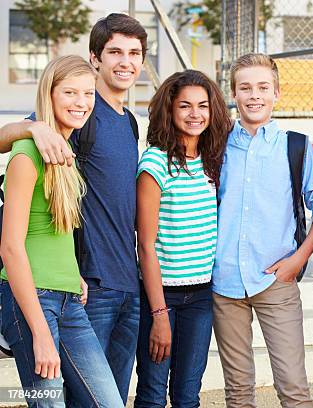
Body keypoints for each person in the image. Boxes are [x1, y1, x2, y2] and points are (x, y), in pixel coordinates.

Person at [0, 14, 148, 403]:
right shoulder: (38, 145)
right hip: (45, 295)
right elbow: (11, 247)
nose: (81, 102)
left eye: (134, 53)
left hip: (79, 291)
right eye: (114, 51)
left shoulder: (123, 123)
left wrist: (72, 273)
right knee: (48, 398)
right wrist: (30, 128)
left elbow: (64, 221)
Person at [212, 53, 313, 408]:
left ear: (276, 93)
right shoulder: (216, 145)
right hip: (224, 281)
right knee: (238, 390)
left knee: (293, 386)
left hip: (277, 280)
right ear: (234, 94)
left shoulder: (297, 146)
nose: (254, 95)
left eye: (262, 87)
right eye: (245, 88)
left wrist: (297, 260)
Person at [133, 70, 232, 407]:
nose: (195, 114)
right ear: (170, 110)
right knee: (151, 392)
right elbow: (145, 245)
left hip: (201, 296)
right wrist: (159, 313)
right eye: (185, 106)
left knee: (188, 394)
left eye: (202, 106)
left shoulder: (212, 160)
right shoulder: (154, 163)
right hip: (161, 298)